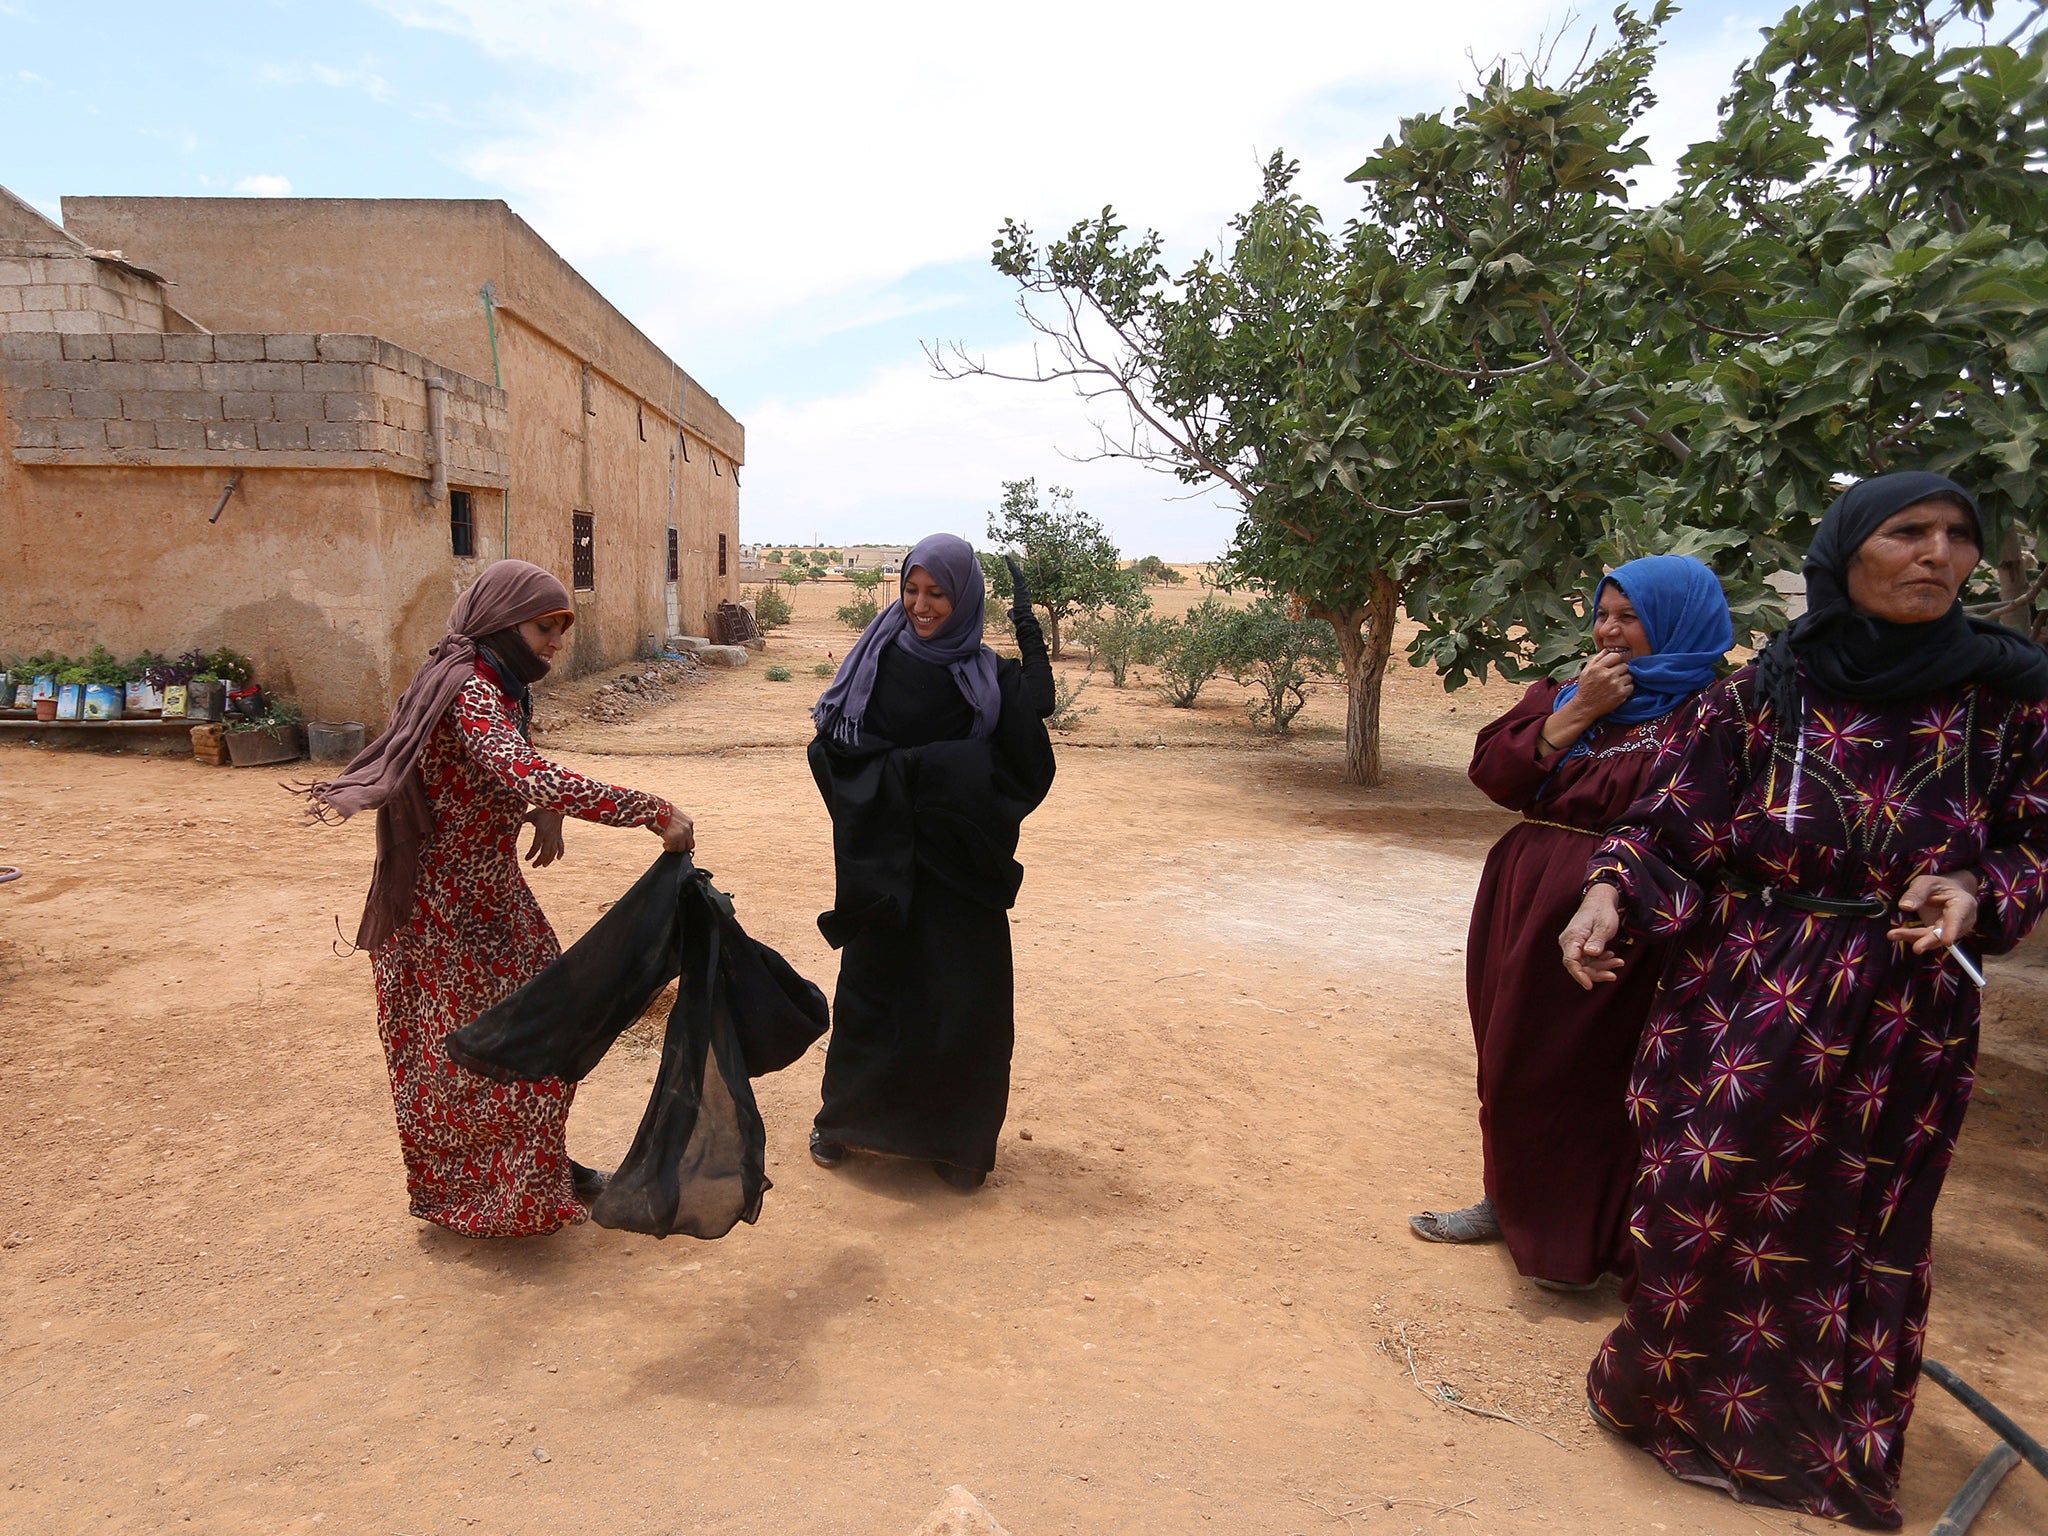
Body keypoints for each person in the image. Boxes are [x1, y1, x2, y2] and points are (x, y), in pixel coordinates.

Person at [1559, 472, 2048, 1530]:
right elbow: (1663, 825)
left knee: (1856, 1220)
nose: (1937, 554)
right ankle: (1661, 1400)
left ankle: (1820, 1446)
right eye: (1906, 532)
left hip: (1901, 1004)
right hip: (1744, 983)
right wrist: (1604, 894)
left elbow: (2033, 839)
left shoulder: (2010, 698)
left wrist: (1971, 888)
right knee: (1696, 1186)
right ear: (1845, 550)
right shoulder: (1761, 689)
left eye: (1958, 537)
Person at [304, 559, 696, 1238]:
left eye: (560, 629)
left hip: (488, 894)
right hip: (441, 912)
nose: (554, 643)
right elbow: (523, 766)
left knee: (534, 1035)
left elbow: (511, 766)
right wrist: (650, 810)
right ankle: (479, 1196)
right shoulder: (471, 690)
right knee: (478, 1053)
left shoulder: (500, 684)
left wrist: (541, 810)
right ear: (500, 621)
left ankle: (533, 1172)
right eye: (545, 627)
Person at [1412, 555, 1732, 1291]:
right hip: (1524, 893)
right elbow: (1495, 773)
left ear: (1679, 622)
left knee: (1590, 1073)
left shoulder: (1714, 713)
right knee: (1508, 1052)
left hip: (1633, 909)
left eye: (1631, 618)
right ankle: (1508, 1199)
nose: (1611, 632)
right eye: (1604, 615)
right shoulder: (1567, 691)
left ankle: (1580, 1241)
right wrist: (1577, 711)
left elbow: (1702, 823)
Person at [806, 534, 1056, 1191]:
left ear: (964, 596)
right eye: (912, 590)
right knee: (872, 990)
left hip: (959, 865)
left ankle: (957, 1143)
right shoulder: (873, 665)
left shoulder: (992, 678)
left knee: (963, 1001)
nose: (920, 605)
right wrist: (901, 786)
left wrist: (943, 780)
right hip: (885, 861)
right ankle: (844, 1122)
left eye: (936, 593)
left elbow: (1026, 766)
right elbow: (830, 749)